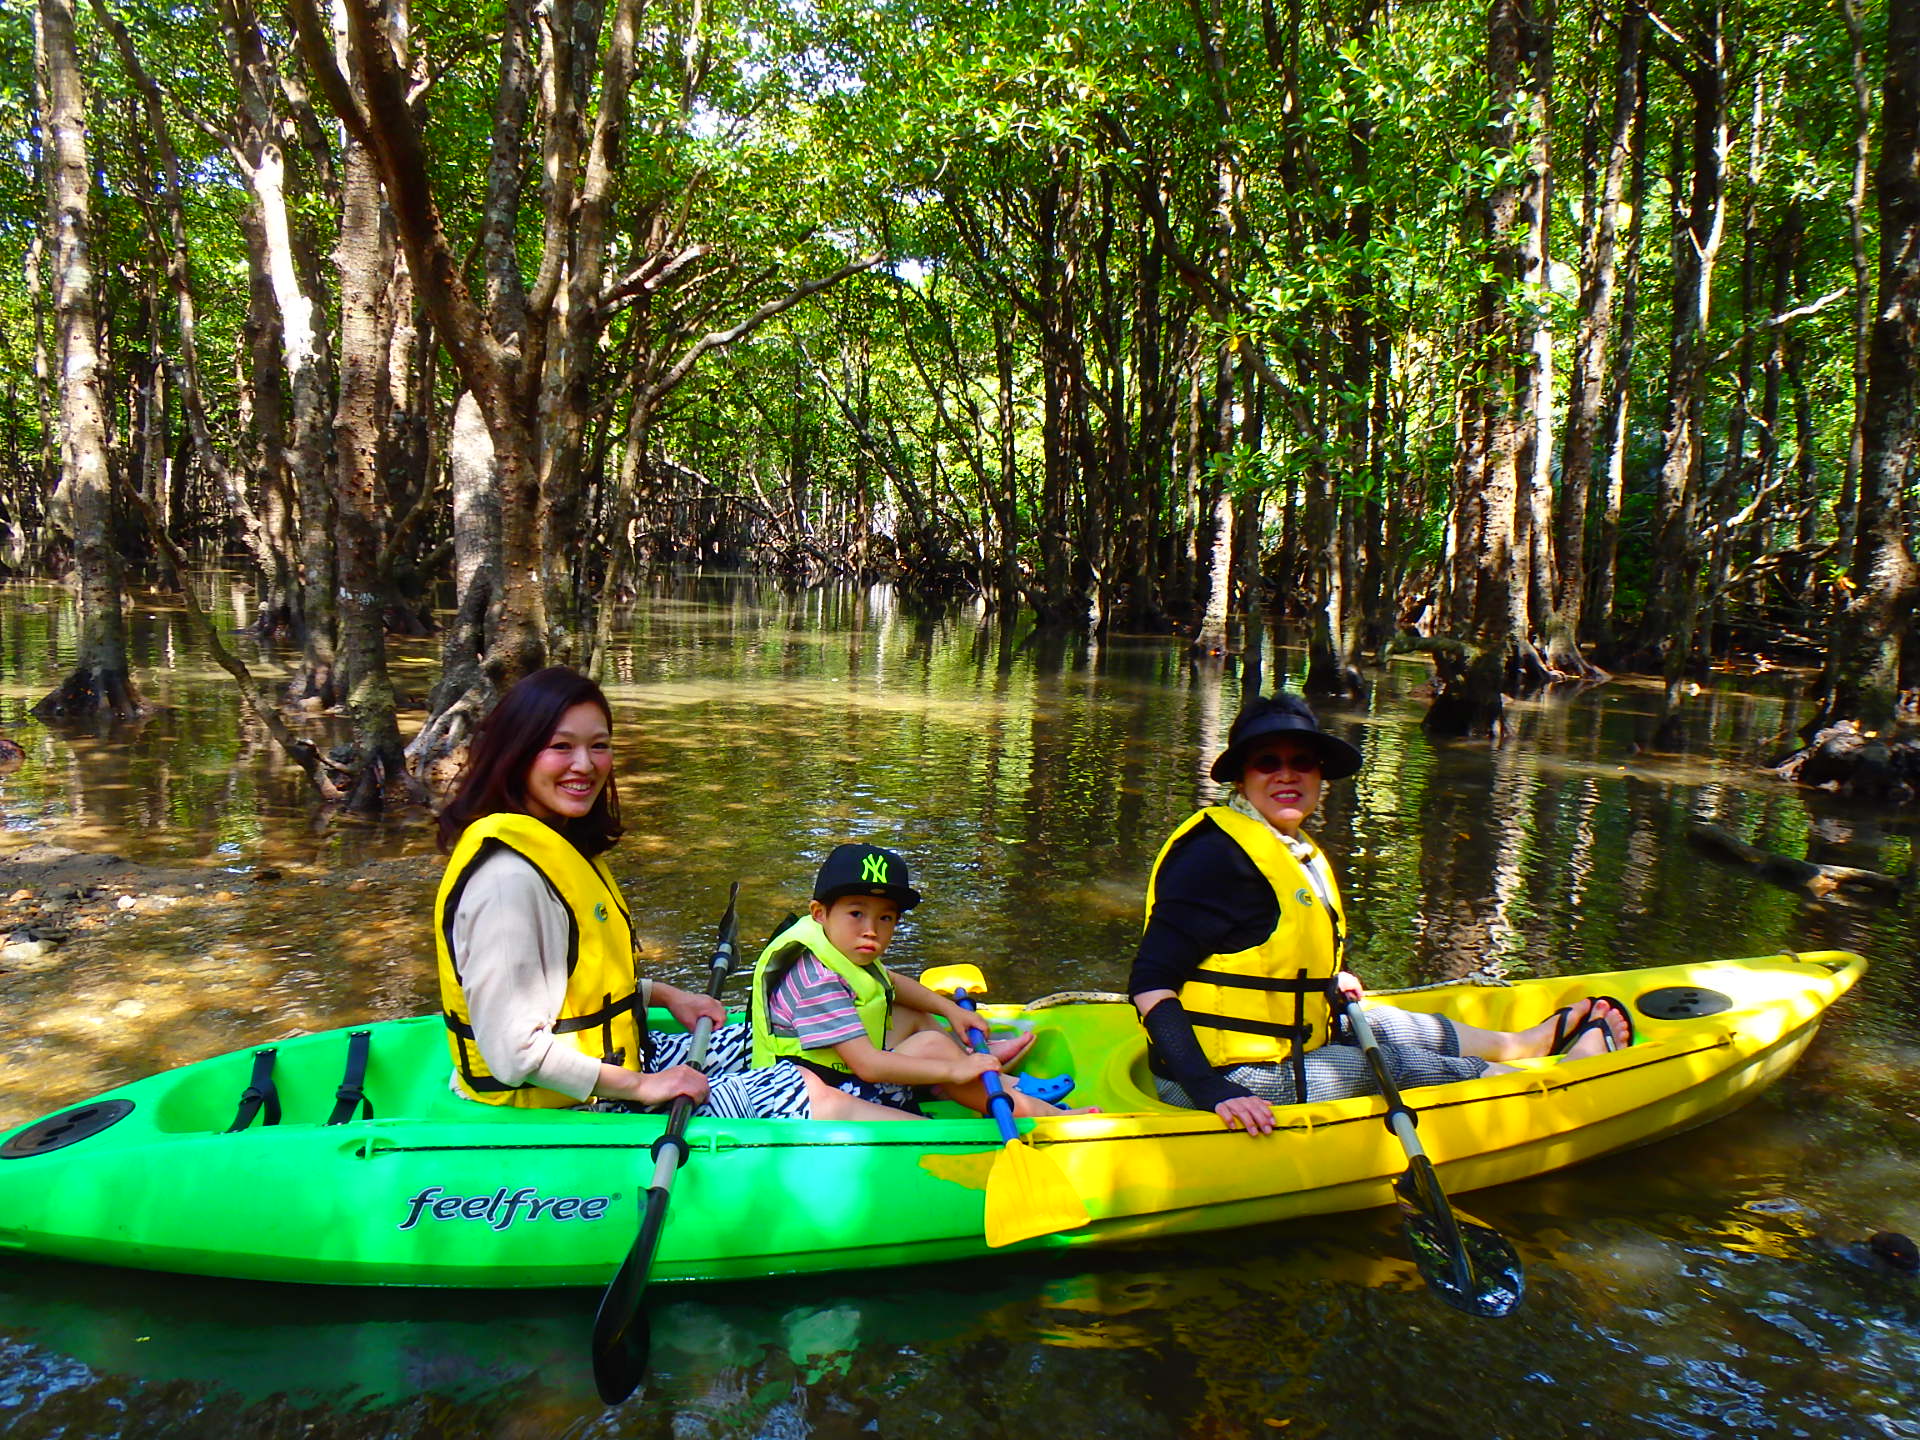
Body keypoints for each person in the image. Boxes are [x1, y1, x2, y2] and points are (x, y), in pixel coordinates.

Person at [1130, 692, 1632, 1136]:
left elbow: (1262, 949)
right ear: (1242, 778)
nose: (1287, 774)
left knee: (1388, 1023)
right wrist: (1211, 1091)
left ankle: (1523, 1043)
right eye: (1267, 762)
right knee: (1392, 1063)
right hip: (1232, 1078)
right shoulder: (1215, 857)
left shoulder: (1285, 847)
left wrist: (1332, 977)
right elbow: (1150, 983)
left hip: (1286, 1045)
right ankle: (1558, 1084)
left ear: (1320, 775)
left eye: (1302, 762)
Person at [433, 666, 904, 1122]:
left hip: (617, 1061)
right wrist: (643, 1087)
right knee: (796, 1085)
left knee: (775, 1038)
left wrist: (665, 995)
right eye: (561, 746)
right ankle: (929, 1144)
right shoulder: (507, 884)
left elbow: (572, 990)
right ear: (517, 752)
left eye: (599, 746)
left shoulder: (555, 847)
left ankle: (901, 1086)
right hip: (564, 1106)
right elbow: (513, 1055)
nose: (585, 764)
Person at [749, 843, 1078, 1119]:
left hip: (835, 1070)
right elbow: (868, 1066)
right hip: (821, 1093)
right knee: (933, 1048)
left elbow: (889, 982)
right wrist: (952, 1071)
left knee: (912, 1016)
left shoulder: (836, 947)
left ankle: (984, 1079)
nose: (871, 930)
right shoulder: (817, 981)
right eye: (856, 914)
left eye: (885, 917)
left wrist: (950, 1010)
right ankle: (1041, 1113)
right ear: (820, 912)